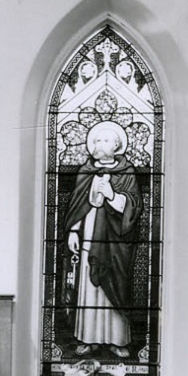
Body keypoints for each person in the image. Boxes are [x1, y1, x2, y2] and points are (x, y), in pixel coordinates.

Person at [64, 120, 142, 357]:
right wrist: (73, 232)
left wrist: (112, 195)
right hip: (88, 238)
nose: (99, 144)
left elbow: (134, 207)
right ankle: (88, 339)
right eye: (97, 140)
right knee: (87, 287)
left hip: (115, 244)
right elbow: (77, 207)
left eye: (105, 140)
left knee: (114, 286)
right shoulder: (86, 172)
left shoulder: (127, 173)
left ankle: (117, 341)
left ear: (117, 145)